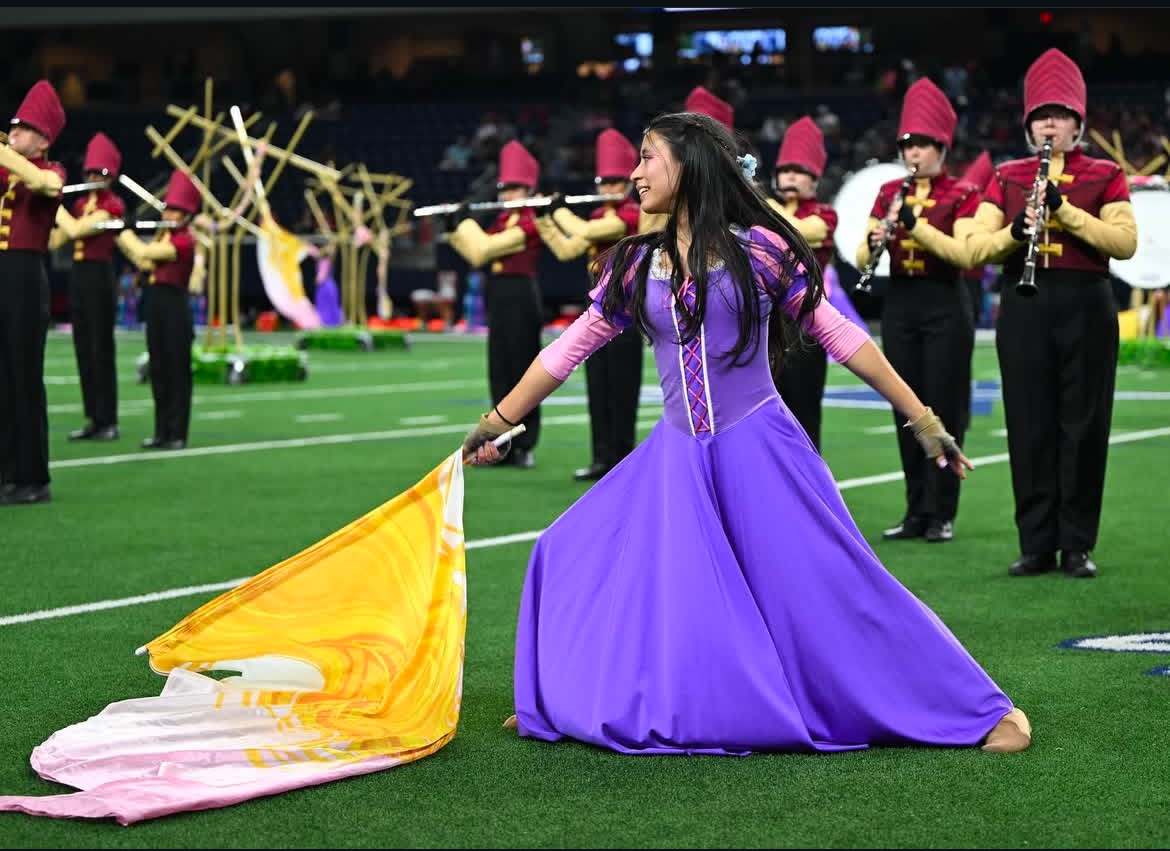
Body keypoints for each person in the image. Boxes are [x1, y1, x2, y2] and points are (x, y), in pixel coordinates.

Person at [463, 111, 1031, 757]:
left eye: (649, 157)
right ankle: (564, 694)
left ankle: (979, 707)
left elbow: (840, 335)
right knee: (566, 551)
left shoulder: (760, 248)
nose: (636, 171)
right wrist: (499, 421)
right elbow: (567, 349)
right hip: (674, 456)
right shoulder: (633, 262)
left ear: (691, 167)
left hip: (761, 447)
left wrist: (923, 418)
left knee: (838, 587)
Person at [960, 48, 1137, 579]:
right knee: (1030, 423)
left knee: (1084, 424)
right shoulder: (1007, 175)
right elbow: (973, 246)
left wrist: (1065, 211)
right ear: (1028, 124)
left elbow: (1124, 243)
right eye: (1041, 115)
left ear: (1078, 124)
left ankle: (1077, 542)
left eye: (1059, 115)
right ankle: (1036, 542)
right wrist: (1017, 232)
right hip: (1025, 303)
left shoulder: (1105, 174)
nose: (1049, 124)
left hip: (1086, 304)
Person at [856, 78, 980, 545]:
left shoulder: (962, 193)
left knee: (944, 407)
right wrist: (872, 246)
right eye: (909, 145)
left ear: (941, 148)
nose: (914, 154)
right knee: (906, 410)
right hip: (901, 303)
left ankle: (942, 511)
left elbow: (962, 254)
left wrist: (914, 226)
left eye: (924, 146)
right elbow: (862, 255)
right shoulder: (888, 191)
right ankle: (915, 510)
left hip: (945, 302)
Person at [536, 128, 643, 481]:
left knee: (622, 387)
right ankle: (600, 458)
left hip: (625, 306)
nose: (609, 188)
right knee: (597, 385)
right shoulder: (597, 214)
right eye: (603, 181)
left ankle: (622, 460)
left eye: (615, 181)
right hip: (596, 303)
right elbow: (569, 248)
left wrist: (560, 211)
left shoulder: (632, 213)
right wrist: (545, 220)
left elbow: (584, 233)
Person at [449, 140, 543, 469]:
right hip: (499, 293)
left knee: (523, 371)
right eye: (504, 188)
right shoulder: (501, 220)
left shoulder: (531, 221)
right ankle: (501, 445)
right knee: (500, 370)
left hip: (521, 294)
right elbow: (476, 252)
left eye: (515, 188)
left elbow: (485, 249)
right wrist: (455, 226)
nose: (507, 195)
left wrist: (464, 223)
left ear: (529, 189)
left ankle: (525, 444)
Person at [0, 80, 66, 506]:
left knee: (25, 376)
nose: (14, 134)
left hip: (25, 275)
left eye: (22, 129)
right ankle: (6, 472)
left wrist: (6, 153)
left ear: (42, 137)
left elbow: (46, 186)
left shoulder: (51, 170)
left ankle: (33, 476)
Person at [764, 116, 844, 451]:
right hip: (767, 324)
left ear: (815, 179)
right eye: (785, 171)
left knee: (804, 413)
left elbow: (802, 230)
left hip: (806, 324)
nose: (790, 177)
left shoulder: (825, 214)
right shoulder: (764, 210)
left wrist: (758, 203)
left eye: (799, 171)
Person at [116, 169, 200, 451]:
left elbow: (146, 255)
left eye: (176, 211)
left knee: (177, 372)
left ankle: (177, 433)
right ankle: (161, 431)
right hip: (156, 305)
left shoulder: (184, 240)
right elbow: (144, 263)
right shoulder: (165, 237)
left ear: (187, 216)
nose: (170, 215)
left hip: (175, 306)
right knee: (160, 370)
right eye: (169, 209)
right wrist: (123, 237)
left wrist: (125, 233)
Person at [50, 132, 126, 442]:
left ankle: (108, 419)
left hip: (100, 276)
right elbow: (57, 239)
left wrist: (53, 205)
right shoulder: (80, 203)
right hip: (79, 276)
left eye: (100, 173)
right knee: (82, 347)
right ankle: (93, 417)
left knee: (100, 348)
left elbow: (78, 229)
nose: (94, 177)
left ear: (110, 177)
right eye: (90, 173)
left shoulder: (114, 205)